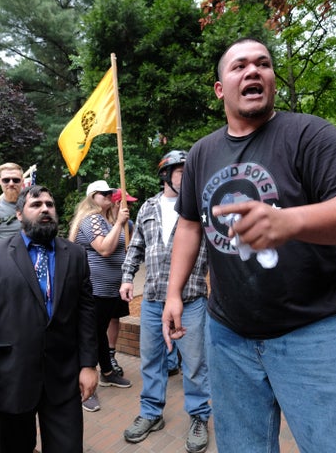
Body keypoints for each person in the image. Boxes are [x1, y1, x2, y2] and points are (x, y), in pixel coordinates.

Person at [162, 38, 336, 452]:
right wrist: (174, 292)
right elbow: (190, 226)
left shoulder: (309, 133)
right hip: (227, 336)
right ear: (219, 88)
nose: (253, 71)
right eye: (239, 66)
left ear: (272, 81)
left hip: (313, 333)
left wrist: (289, 221)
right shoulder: (200, 154)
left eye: (263, 64)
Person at [0, 185, 97, 452]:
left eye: (50, 204)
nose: (45, 208)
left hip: (63, 379)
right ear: (19, 214)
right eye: (36, 205)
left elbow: (86, 312)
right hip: (10, 379)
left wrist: (89, 364)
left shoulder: (76, 255)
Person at [120, 150, 212, 453]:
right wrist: (127, 277)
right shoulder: (147, 207)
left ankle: (199, 416)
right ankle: (151, 413)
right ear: (165, 175)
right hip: (153, 301)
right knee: (151, 360)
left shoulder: (201, 206)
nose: (187, 176)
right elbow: (136, 247)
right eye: (181, 171)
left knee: (195, 363)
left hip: (192, 300)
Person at [68, 179, 132, 412]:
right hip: (92, 290)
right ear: (91, 196)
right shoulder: (92, 219)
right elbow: (104, 249)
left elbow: (124, 248)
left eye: (110, 192)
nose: (109, 195)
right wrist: (119, 223)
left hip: (109, 291)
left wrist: (119, 221)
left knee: (99, 332)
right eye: (103, 192)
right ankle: (83, 386)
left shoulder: (107, 220)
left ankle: (106, 372)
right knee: (89, 336)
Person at [107, 187, 137, 377]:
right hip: (101, 282)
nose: (130, 208)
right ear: (118, 203)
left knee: (114, 318)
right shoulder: (101, 223)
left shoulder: (130, 224)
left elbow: (133, 250)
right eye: (128, 204)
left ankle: (111, 355)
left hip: (120, 279)